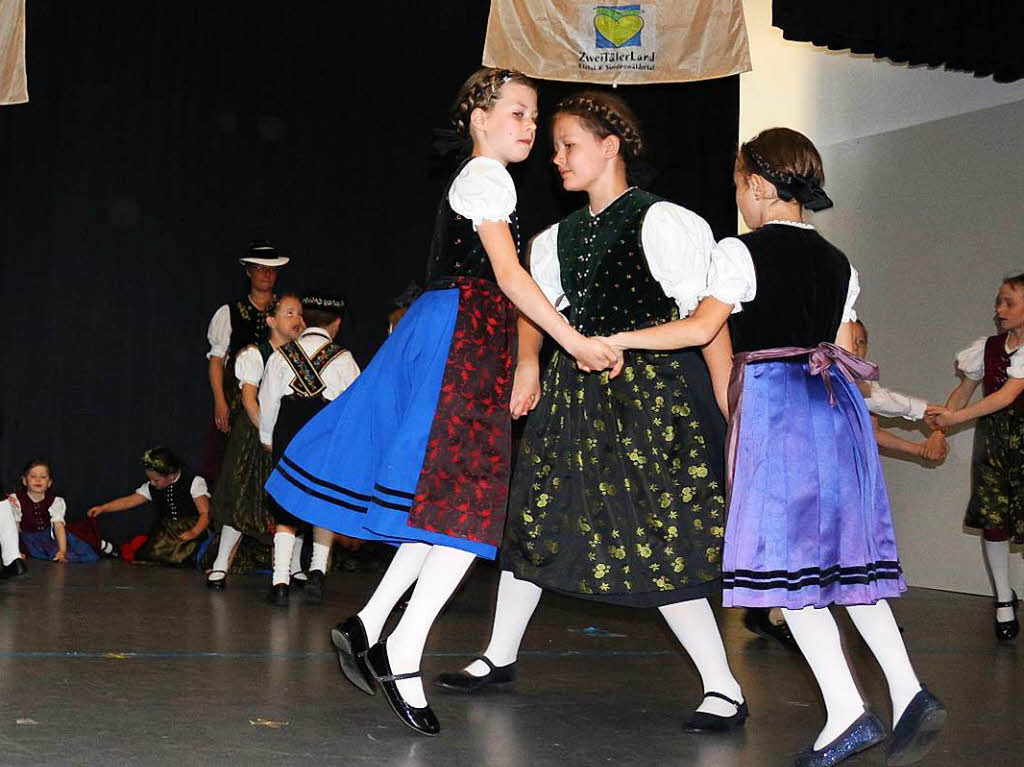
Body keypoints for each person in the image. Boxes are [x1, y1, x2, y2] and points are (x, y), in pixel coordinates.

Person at [264, 67, 619, 736]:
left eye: (533, 117)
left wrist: (524, 356)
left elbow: (502, 281)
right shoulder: (486, 178)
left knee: (450, 505)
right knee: (469, 512)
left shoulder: (493, 182)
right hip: (462, 336)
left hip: (468, 336)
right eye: (517, 112)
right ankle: (402, 646)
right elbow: (507, 276)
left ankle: (372, 622)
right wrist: (571, 340)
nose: (528, 126)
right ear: (479, 119)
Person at [599, 128, 946, 766]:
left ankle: (846, 710)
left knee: (785, 568)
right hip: (835, 407)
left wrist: (622, 337)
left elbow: (704, 326)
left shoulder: (741, 251)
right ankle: (908, 689)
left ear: (759, 188)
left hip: (779, 408)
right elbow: (843, 345)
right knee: (843, 565)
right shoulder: (842, 262)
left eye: (738, 187)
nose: (739, 199)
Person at [435, 90, 746, 731]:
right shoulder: (557, 237)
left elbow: (708, 325)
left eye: (568, 145)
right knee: (536, 521)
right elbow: (535, 308)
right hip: (574, 400)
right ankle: (498, 654)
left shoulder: (666, 222)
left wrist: (727, 403)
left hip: (651, 403)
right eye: (552, 148)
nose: (555, 158)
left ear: (610, 148)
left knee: (661, 534)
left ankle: (723, 686)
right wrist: (528, 365)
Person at [925, 275, 1024, 641]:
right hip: (995, 446)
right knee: (995, 520)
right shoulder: (988, 349)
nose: (999, 310)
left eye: (1009, 303)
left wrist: (955, 419)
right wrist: (940, 428)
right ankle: (1003, 597)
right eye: (998, 302)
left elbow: (1006, 396)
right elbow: (964, 391)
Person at [259, 293, 360, 605]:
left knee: (284, 509)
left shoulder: (280, 356)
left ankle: (279, 583)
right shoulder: (343, 358)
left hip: (289, 436)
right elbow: (355, 407)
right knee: (322, 500)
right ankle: (317, 572)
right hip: (326, 437)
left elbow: (268, 403)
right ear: (337, 324)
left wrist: (267, 439)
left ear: (303, 319)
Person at [205, 293, 305, 590]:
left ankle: (293, 566)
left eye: (300, 314)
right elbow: (250, 399)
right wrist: (267, 433)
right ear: (272, 320)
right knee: (241, 498)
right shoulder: (256, 354)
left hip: (289, 436)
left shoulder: (303, 358)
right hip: (256, 435)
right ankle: (221, 565)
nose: (297, 319)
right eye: (289, 313)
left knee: (293, 500)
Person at [203, 241, 289, 483]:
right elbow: (216, 360)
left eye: (271, 269)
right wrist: (220, 401)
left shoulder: (287, 311)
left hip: (278, 394)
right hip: (238, 397)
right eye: (260, 268)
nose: (266, 274)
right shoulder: (230, 312)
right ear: (249, 271)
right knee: (234, 459)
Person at [88, 447, 211, 567]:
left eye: (156, 480)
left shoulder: (193, 482)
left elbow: (205, 514)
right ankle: (116, 551)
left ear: (171, 475)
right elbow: (129, 501)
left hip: (192, 526)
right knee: (151, 553)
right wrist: (103, 508)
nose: (152, 483)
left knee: (184, 554)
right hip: (167, 531)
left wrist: (194, 532)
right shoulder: (152, 487)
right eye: (150, 479)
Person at [8, 459, 98, 563]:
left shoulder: (55, 501)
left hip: (48, 535)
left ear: (49, 482)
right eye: (33, 476)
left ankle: (100, 546)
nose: (38, 480)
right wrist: (15, 551)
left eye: (43, 477)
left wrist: (62, 551)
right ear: (24, 480)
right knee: (48, 552)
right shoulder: (17, 500)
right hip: (28, 537)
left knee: (83, 551)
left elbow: (58, 526)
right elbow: (14, 527)